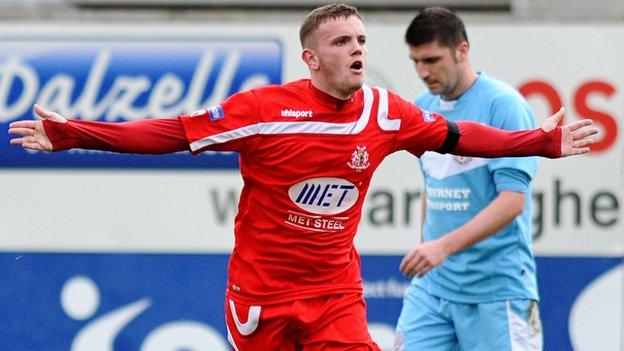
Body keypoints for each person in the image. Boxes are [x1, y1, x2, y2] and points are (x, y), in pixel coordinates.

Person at [8, 4, 595, 351]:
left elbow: (460, 136)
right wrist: (77, 132)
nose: (357, 50)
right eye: (342, 42)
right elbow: (172, 133)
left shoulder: (386, 111)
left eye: (362, 40)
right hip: (261, 298)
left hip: (335, 294)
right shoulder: (263, 111)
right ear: (312, 59)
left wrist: (539, 141)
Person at [394, 7, 547, 351]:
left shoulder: (504, 106)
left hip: (496, 291)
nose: (423, 71)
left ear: (462, 50)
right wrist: (427, 246)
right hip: (433, 289)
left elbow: (512, 202)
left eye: (432, 60)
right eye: (415, 61)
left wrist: (441, 247)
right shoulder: (423, 106)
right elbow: (431, 186)